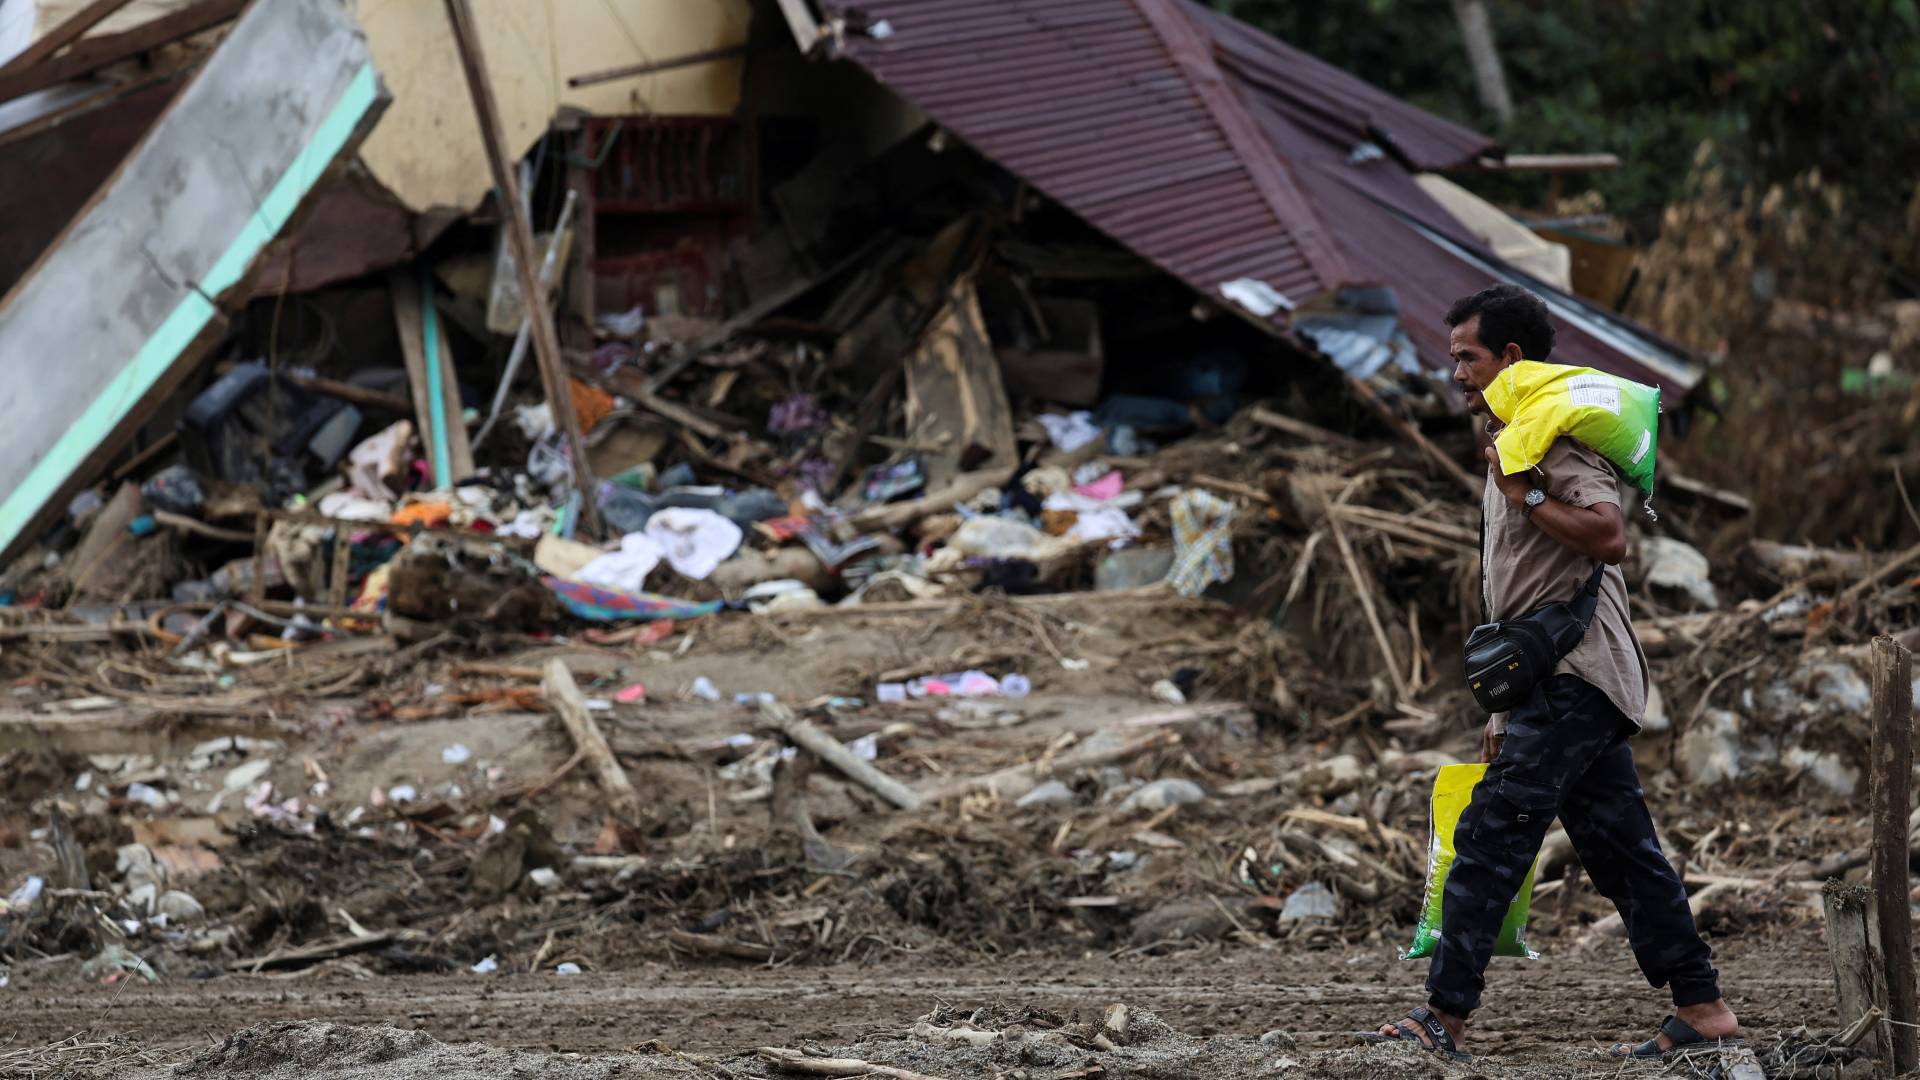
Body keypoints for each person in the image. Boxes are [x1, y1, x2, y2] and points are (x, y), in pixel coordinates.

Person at [1361, 284, 1739, 1062]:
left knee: (1491, 835)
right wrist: (1502, 717)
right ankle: (1702, 1009)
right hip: (1559, 682)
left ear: (1512, 359)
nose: (1455, 371)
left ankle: (1444, 1017)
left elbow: (1607, 536)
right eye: (1455, 355)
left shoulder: (1553, 444)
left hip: (1577, 677)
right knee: (1622, 851)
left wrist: (1525, 491)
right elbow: (1518, 592)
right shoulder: (1517, 436)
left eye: (1468, 357)